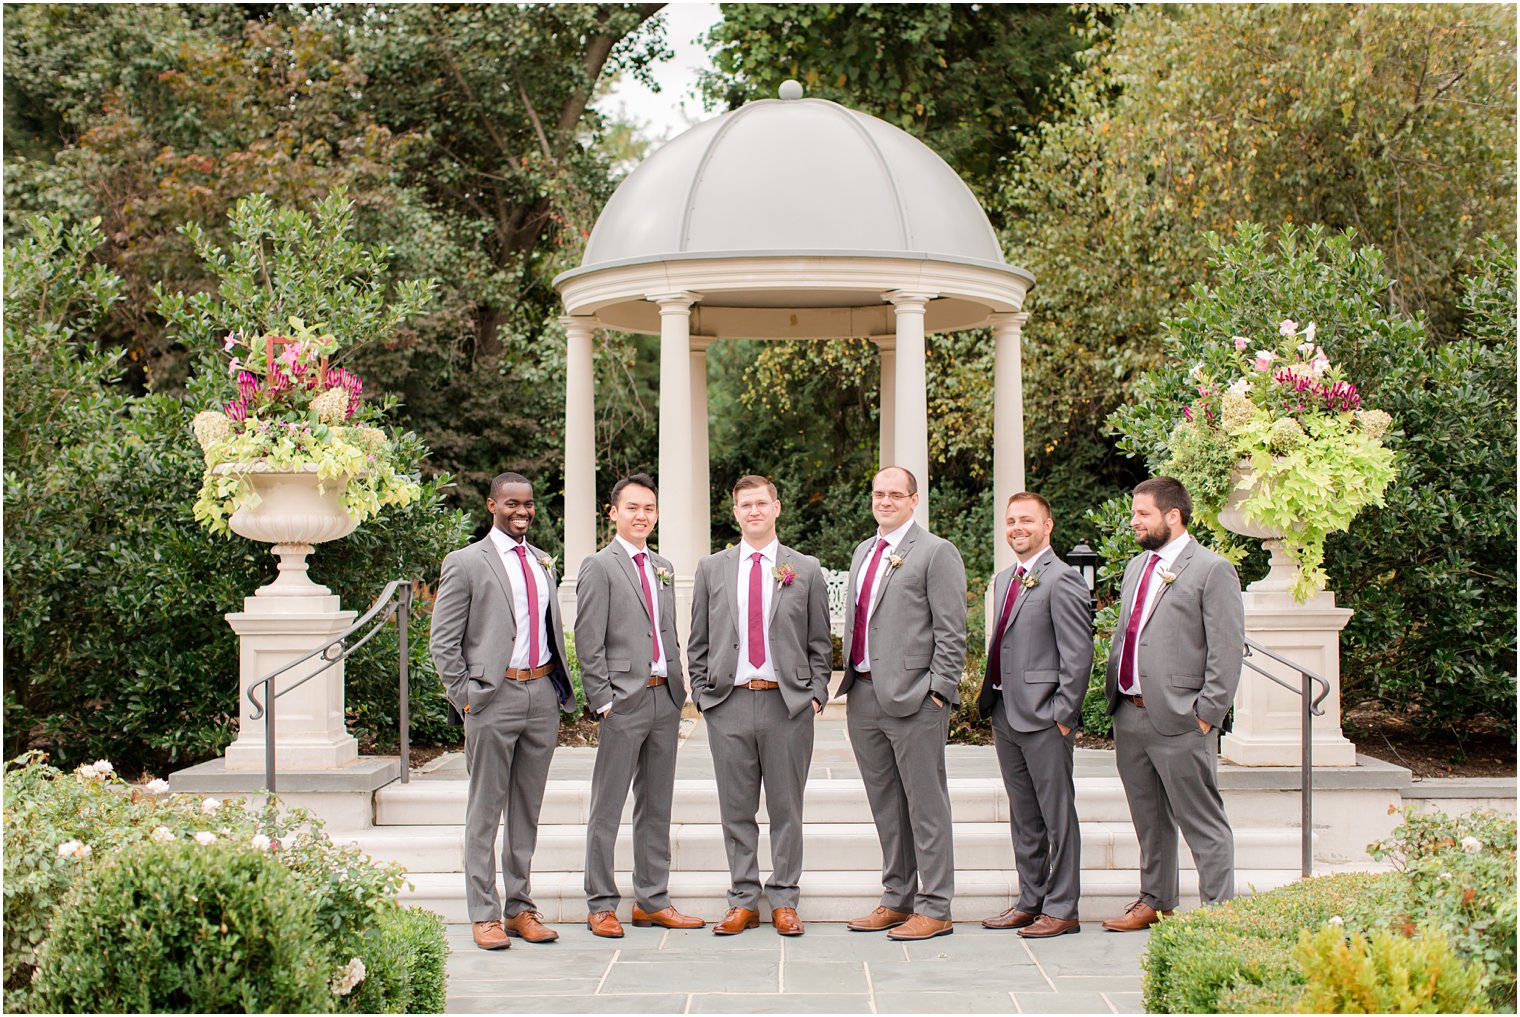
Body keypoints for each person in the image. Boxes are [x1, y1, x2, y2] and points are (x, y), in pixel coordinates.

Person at [429, 472, 575, 951]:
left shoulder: (540, 561)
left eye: (528, 504)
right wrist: (467, 697)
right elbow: (443, 642)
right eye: (512, 503)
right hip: (493, 699)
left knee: (526, 811)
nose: (522, 511)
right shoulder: (467, 562)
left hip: (541, 696)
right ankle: (484, 913)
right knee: (485, 809)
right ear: (492, 505)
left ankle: (520, 908)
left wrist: (553, 692)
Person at [687, 475, 832, 937]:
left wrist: (814, 694)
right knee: (736, 808)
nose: (753, 511)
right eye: (745, 504)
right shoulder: (713, 568)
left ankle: (785, 899)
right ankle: (743, 898)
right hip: (728, 703)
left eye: (761, 503)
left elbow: (819, 642)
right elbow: (698, 641)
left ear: (777, 508)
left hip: (786, 706)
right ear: (735, 512)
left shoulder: (804, 568)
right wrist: (704, 696)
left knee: (787, 808)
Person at [1102, 476, 1245, 932]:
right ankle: (1156, 901)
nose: (1134, 522)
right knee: (1149, 819)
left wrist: (1206, 715)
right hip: (1131, 713)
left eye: (1142, 513)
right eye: (1134, 513)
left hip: (1183, 719)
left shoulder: (1211, 569)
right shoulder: (1135, 568)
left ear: (1172, 515)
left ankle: (1218, 915)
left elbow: (1226, 649)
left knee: (1202, 822)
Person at [838, 465, 967, 941]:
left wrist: (937, 692)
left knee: (926, 804)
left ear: (915, 500)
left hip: (916, 700)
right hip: (864, 694)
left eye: (895, 494)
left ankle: (936, 906)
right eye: (878, 493)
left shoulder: (936, 553)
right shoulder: (863, 551)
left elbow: (952, 632)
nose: (885, 501)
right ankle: (897, 897)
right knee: (886, 805)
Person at [575, 473, 705, 938]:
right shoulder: (599, 565)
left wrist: (680, 690)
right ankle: (601, 902)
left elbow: (667, 631)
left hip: (664, 699)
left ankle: (652, 899)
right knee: (607, 806)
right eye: (632, 508)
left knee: (657, 806)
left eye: (648, 508)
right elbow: (588, 640)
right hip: (623, 703)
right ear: (613, 513)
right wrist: (603, 700)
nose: (641, 516)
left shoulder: (662, 565)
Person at [975, 492, 1093, 938]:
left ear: (1048, 525)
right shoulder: (1006, 578)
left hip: (1045, 717)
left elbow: (1078, 655)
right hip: (1005, 712)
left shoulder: (1062, 579)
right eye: (1010, 521)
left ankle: (1062, 908)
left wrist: (1063, 714)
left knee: (1057, 816)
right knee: (1024, 815)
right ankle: (1031, 900)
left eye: (1026, 519)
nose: (1016, 527)